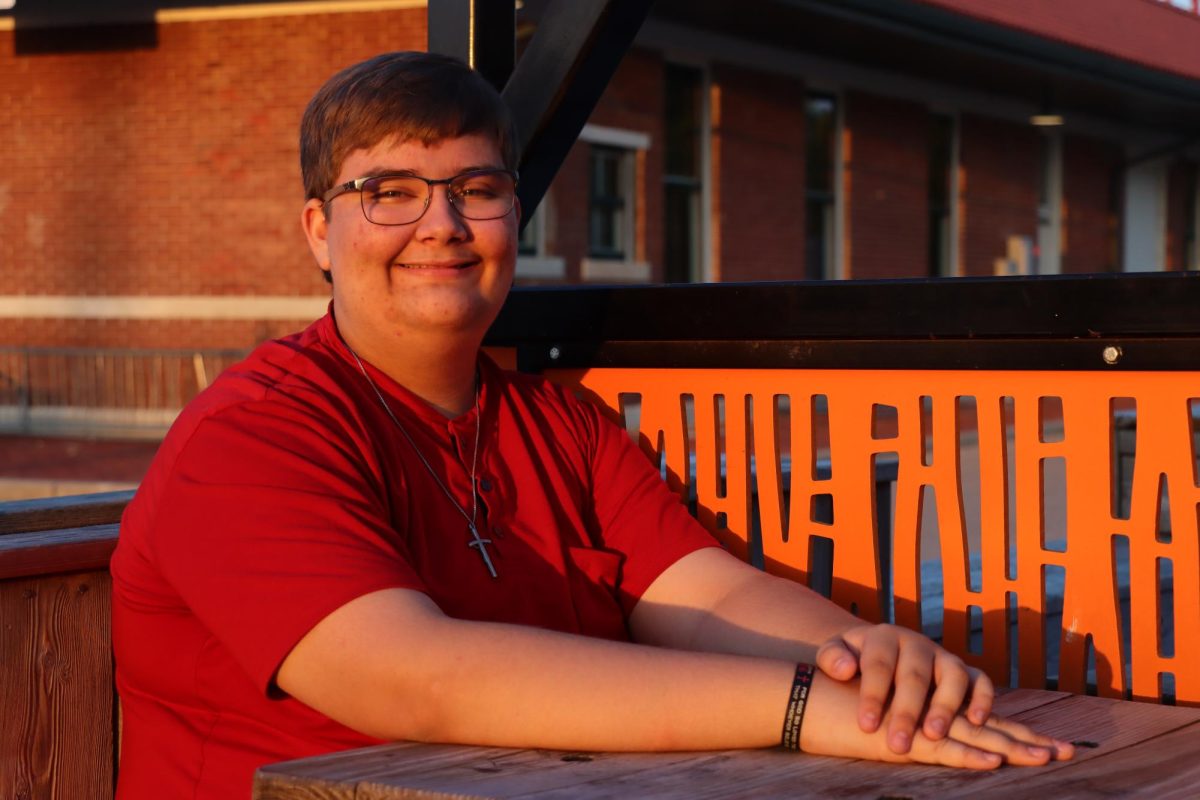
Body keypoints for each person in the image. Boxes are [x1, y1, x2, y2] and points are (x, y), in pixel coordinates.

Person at [110, 51, 1072, 799]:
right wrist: (797, 708)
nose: (441, 223)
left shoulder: (556, 422)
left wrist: (865, 662)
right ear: (320, 230)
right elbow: (416, 680)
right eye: (388, 193)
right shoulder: (251, 436)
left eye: (477, 189)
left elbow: (705, 597)